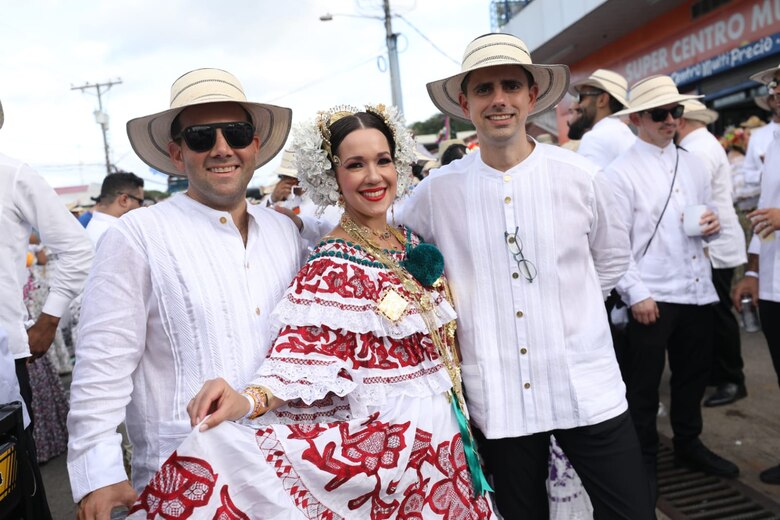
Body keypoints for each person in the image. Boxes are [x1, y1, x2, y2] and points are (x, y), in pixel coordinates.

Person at [125, 104, 494, 519]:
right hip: (395, 462)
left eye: (382, 160)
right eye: (355, 165)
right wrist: (248, 400)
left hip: (452, 450)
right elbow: (302, 355)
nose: (373, 177)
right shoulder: (331, 265)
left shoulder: (410, 240)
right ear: (333, 178)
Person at [403, 33, 652, 518]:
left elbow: (612, 257)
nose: (499, 100)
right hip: (499, 393)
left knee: (631, 510)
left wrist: (570, 306)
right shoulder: (438, 191)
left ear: (532, 96)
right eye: (484, 89)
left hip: (584, 383)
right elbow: (386, 232)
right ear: (464, 102)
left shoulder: (580, 177)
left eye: (511, 86)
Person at [66, 68, 307, 519]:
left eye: (235, 133)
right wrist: (97, 472)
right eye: (201, 137)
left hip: (286, 473)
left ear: (254, 145)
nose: (221, 148)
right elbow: (102, 363)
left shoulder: (284, 233)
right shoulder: (137, 235)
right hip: (184, 480)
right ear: (177, 153)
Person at [605, 75, 739, 504]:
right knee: (643, 387)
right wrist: (635, 293)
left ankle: (688, 442)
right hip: (653, 294)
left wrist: (713, 228)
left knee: (693, 376)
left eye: (676, 112)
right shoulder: (620, 173)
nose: (670, 121)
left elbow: (705, 218)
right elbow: (613, 245)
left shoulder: (695, 162)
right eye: (660, 114)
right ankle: (644, 459)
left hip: (697, 288)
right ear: (638, 119)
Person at [1, 97, 94, 520]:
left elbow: (77, 250)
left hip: (2, 361)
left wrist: (48, 320)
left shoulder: (14, 175)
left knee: (13, 491)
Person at [677, 100, 748, 407]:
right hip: (714, 242)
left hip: (713, 245)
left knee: (719, 315)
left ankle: (733, 378)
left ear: (682, 122)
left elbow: (694, 198)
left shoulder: (699, 149)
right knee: (714, 314)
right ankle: (721, 373)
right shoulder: (704, 144)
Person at [732, 71, 780, 487]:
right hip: (774, 284)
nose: (776, 90)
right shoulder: (772, 141)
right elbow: (763, 213)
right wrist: (751, 271)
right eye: (774, 84)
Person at [568, 68, 635, 167]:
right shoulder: (627, 134)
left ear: (602, 100)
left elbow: (585, 181)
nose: (578, 105)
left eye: (582, 97)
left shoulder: (595, 138)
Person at [86, 172, 145, 246]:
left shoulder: (95, 226)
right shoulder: (118, 234)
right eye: (140, 201)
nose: (142, 207)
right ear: (124, 200)